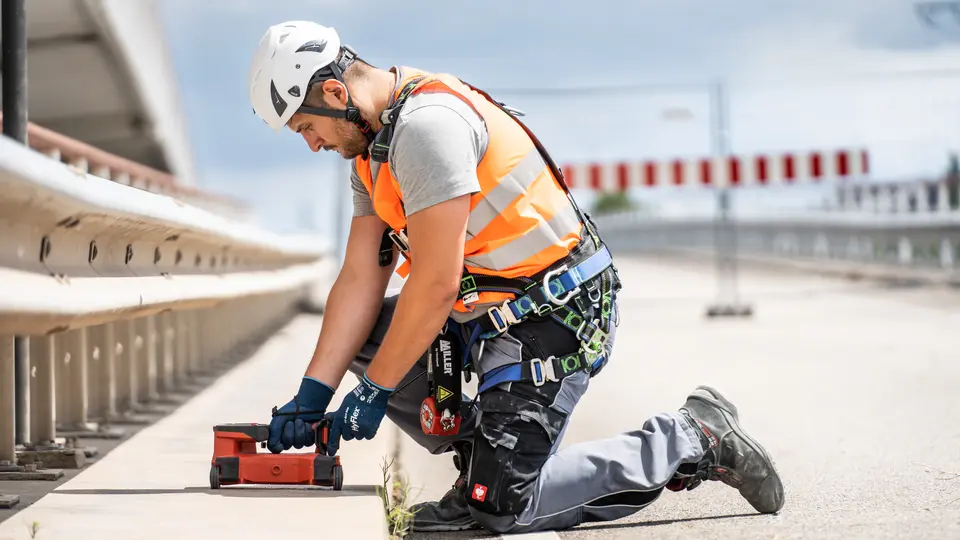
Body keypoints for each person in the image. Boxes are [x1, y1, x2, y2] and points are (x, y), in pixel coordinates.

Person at [247, 20, 785, 534]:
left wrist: (374, 388)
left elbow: (435, 282)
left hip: (555, 315)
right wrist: (312, 394)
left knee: (504, 509)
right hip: (487, 316)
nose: (311, 144)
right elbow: (362, 276)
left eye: (306, 127)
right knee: (362, 338)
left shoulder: (426, 130)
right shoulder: (371, 152)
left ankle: (690, 437)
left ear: (338, 95)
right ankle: (481, 463)